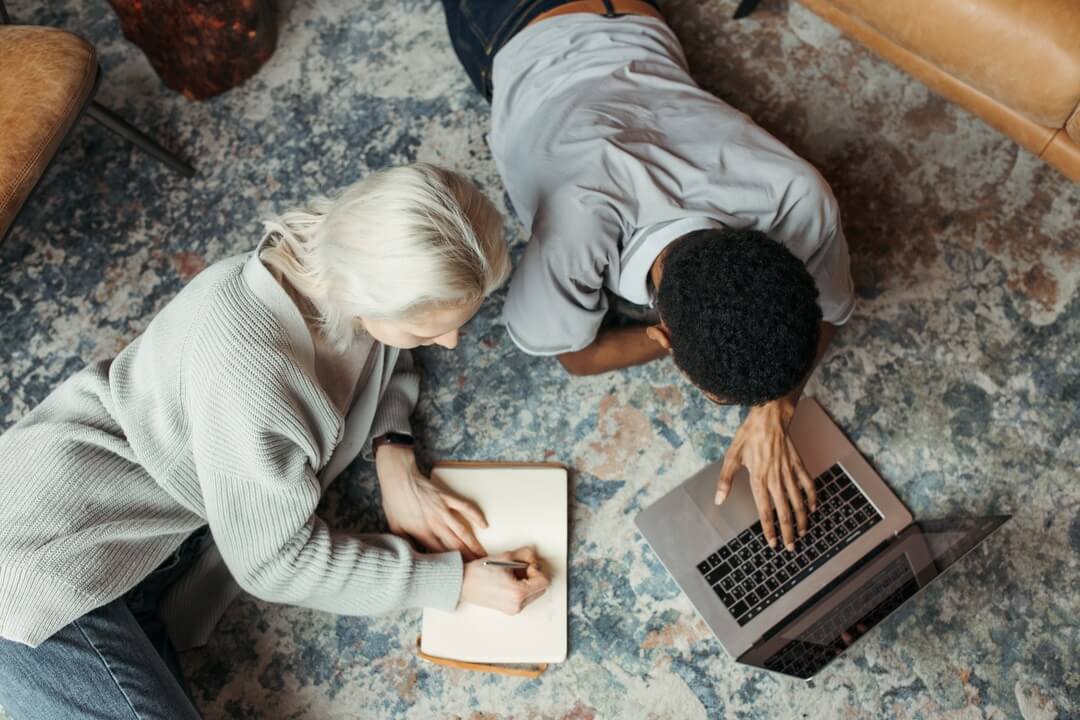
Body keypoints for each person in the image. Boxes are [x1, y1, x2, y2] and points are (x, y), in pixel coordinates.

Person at [0, 163, 550, 720]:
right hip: (33, 564)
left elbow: (383, 351)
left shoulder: (333, 259)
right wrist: (451, 582)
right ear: (367, 293)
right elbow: (274, 561)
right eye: (429, 328)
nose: (450, 343)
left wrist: (395, 455)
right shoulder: (254, 374)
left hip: (132, 550)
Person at [441, 0, 856, 552]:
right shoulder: (577, 225)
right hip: (511, 24)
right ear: (663, 336)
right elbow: (576, 357)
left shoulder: (798, 194)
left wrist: (776, 410)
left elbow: (825, 311)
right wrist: (668, 346)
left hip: (630, 16)